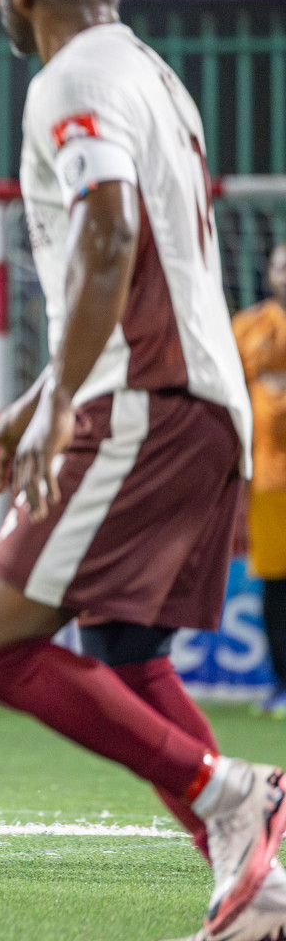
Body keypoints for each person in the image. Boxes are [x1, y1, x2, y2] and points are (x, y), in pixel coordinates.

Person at [0, 0, 282, 939]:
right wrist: (48, 388)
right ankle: (262, 889)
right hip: (191, 393)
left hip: (145, 395)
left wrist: (63, 401)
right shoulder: (153, 72)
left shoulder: (72, 78)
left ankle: (237, 796)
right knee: (128, 654)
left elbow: (110, 228)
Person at [233, 243, 286, 718]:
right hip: (269, 479)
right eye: (280, 267)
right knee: (274, 582)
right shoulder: (248, 329)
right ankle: (281, 683)